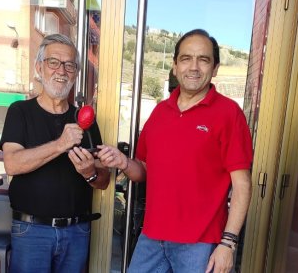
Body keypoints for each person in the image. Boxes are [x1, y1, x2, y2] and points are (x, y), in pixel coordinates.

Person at [97, 29, 253, 273]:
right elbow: (144, 170)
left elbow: (242, 184)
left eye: (203, 59)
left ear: (215, 68)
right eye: (186, 58)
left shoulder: (229, 113)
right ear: (174, 65)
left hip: (200, 244)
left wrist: (228, 244)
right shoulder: (160, 112)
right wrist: (124, 162)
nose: (194, 67)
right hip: (152, 238)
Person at [0, 33, 110, 273]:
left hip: (77, 232)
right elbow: (12, 164)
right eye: (53, 62)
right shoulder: (20, 111)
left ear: (76, 72)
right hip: (31, 231)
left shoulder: (85, 119)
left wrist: (90, 173)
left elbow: (103, 181)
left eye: (70, 65)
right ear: (39, 67)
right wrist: (61, 144)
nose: (62, 70)